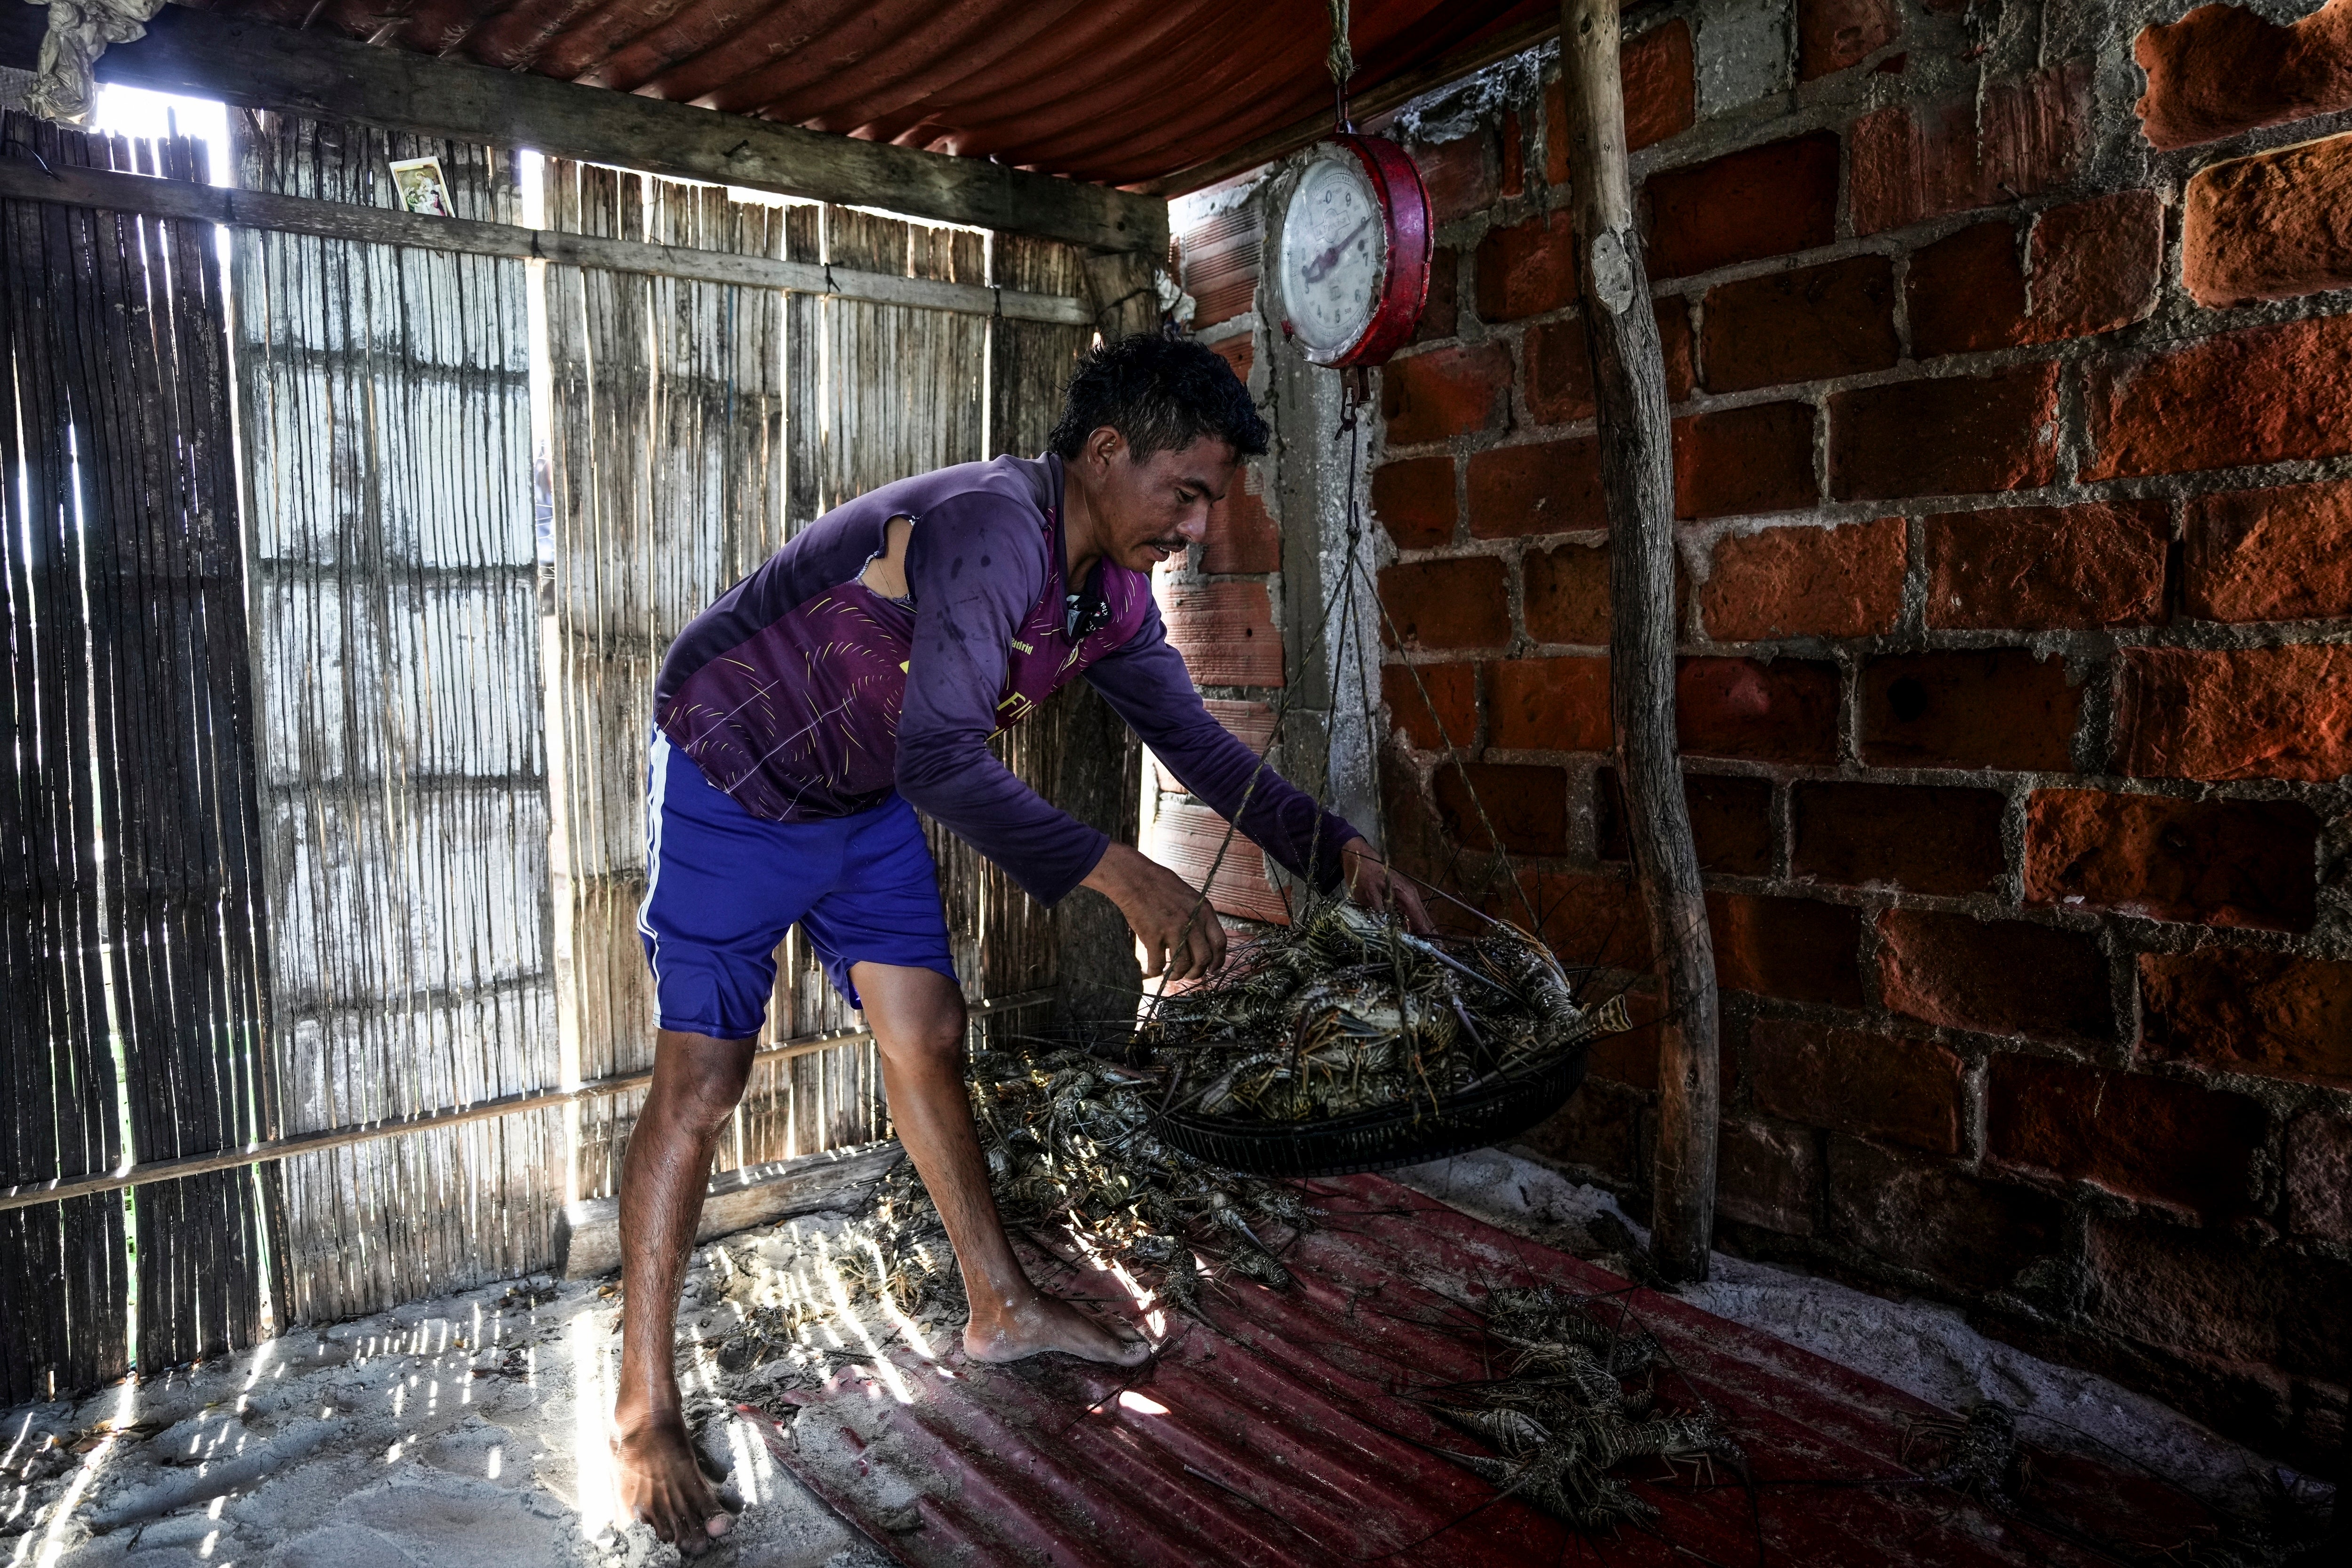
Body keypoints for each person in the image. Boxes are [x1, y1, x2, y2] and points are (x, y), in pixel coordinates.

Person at [611, 333, 1429, 1552]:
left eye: (1214, 501)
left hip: (863, 792)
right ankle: (640, 1413)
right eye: (1185, 491)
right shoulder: (998, 526)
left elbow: (1196, 745)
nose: (1200, 526)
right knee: (704, 1081)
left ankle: (1000, 1308)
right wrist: (1124, 877)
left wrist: (1334, 848)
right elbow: (945, 757)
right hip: (738, 766)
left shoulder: (1114, 597)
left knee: (928, 1034)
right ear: (1105, 454)